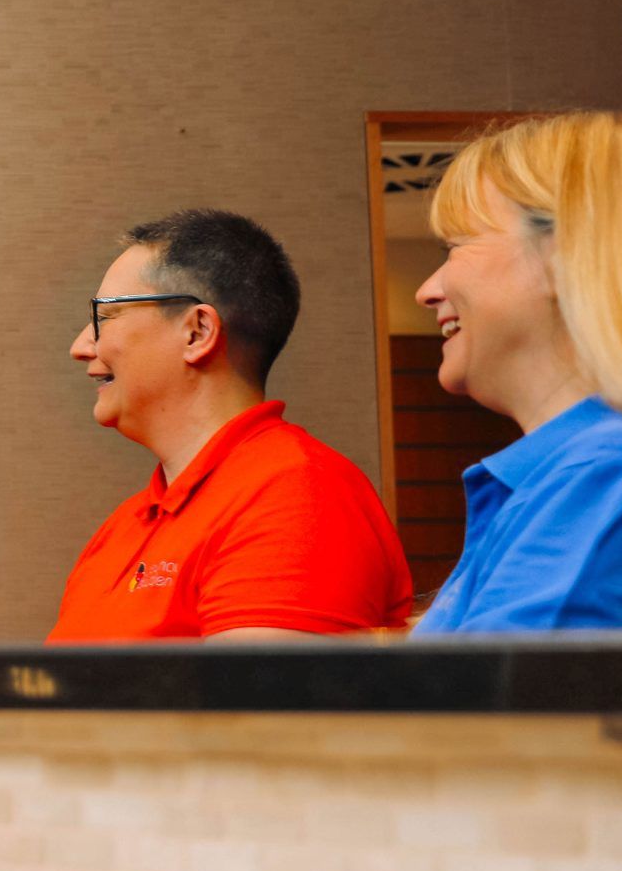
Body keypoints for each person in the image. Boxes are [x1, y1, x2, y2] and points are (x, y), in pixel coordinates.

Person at [50, 208, 411, 639]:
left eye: (103, 317)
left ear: (197, 332)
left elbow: (256, 702)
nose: (81, 346)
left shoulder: (296, 494)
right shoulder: (125, 525)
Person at [411, 111, 622, 631]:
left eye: (455, 247)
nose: (426, 291)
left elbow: (476, 710)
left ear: (561, 256)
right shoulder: (564, 477)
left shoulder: (603, 477)